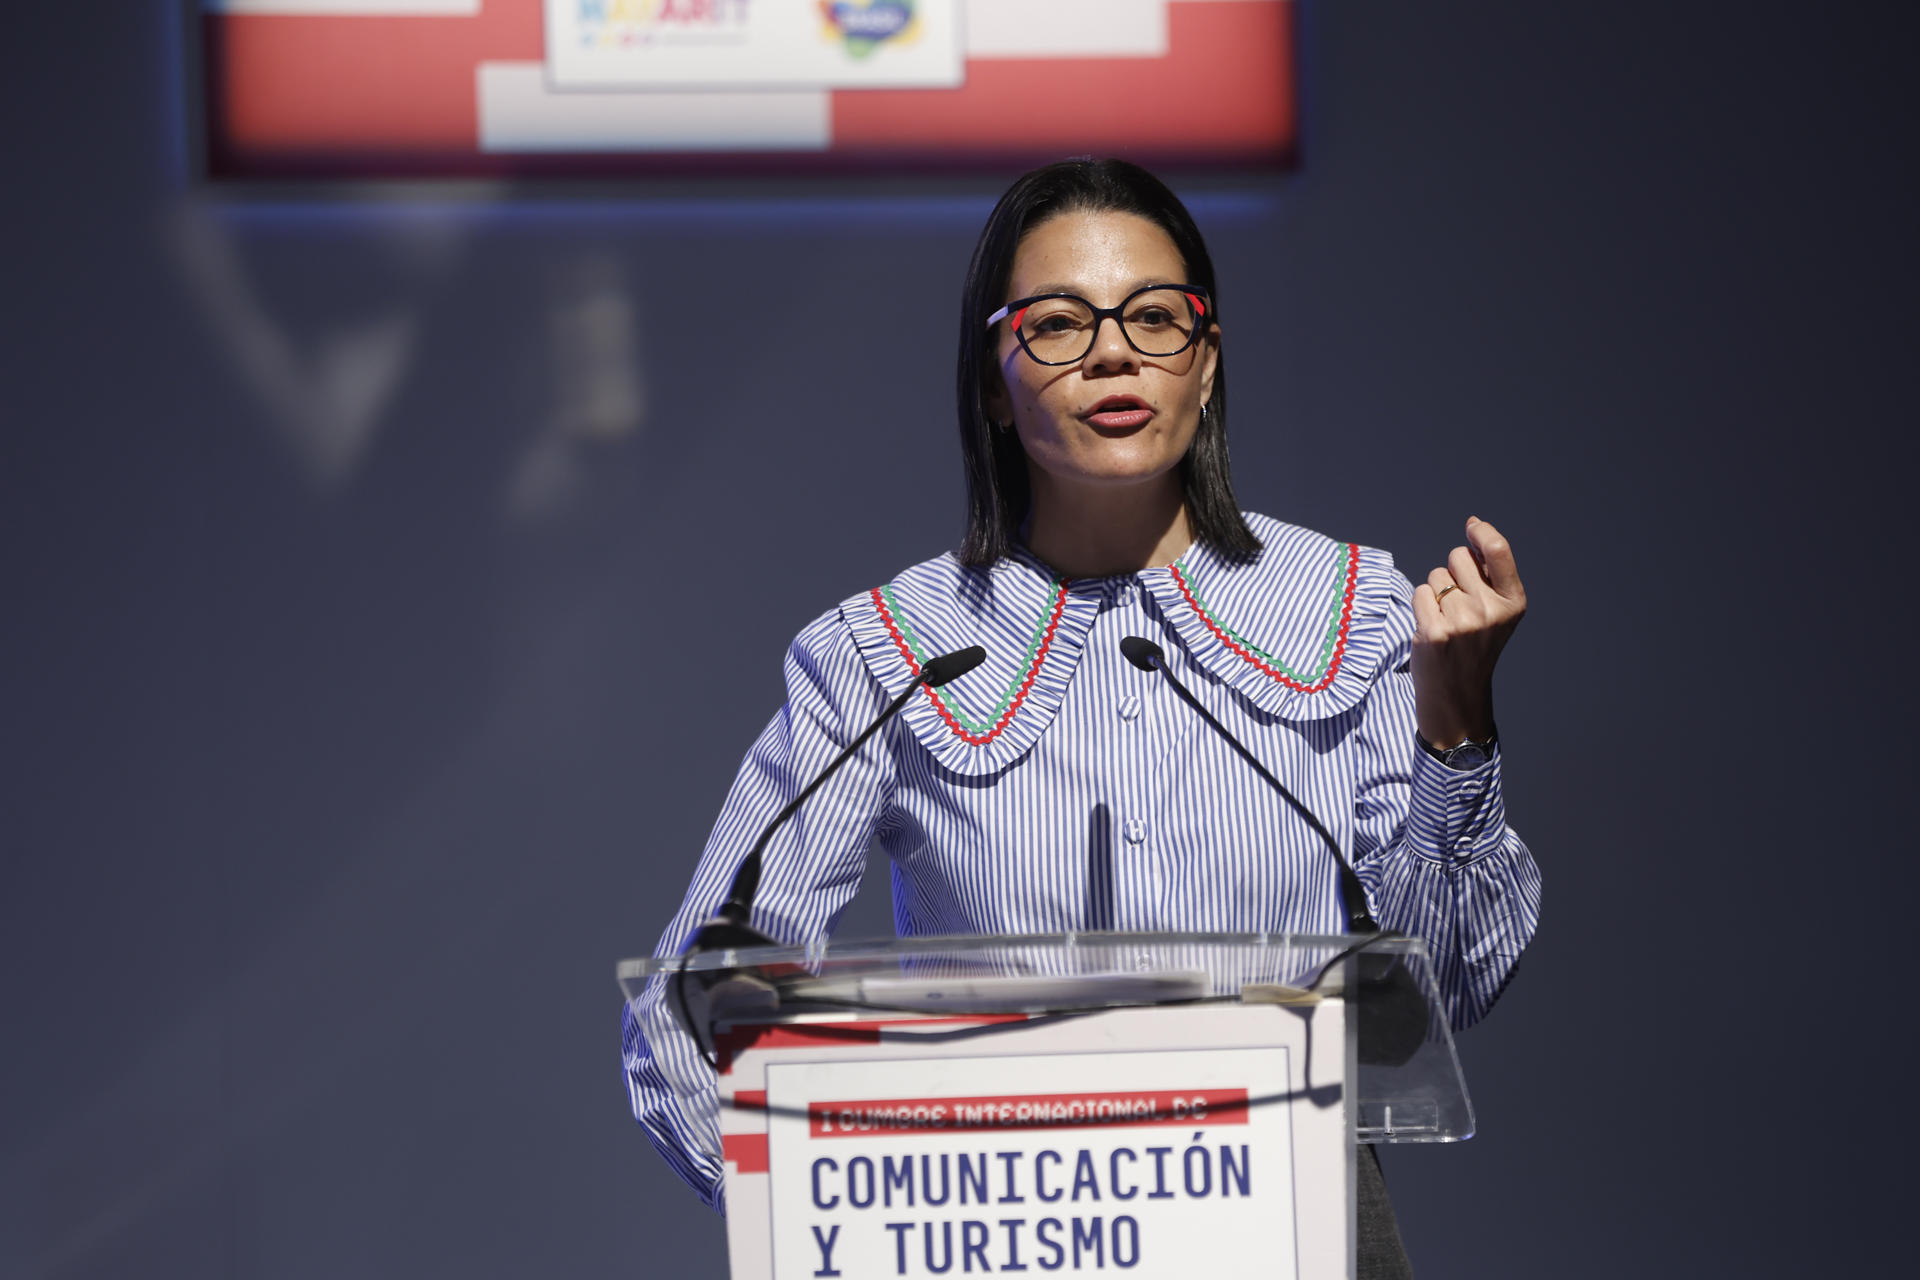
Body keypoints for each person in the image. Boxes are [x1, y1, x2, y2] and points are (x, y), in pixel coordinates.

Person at [622, 158, 1540, 1276]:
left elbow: (1450, 981)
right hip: (1009, 1239)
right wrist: (855, 1222)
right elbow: (686, 1016)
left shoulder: (1355, 609)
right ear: (991, 384)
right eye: (1058, 324)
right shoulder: (889, 652)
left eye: (1156, 317)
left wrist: (1456, 727)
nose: (1114, 352)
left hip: (1305, 1236)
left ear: (1207, 361)